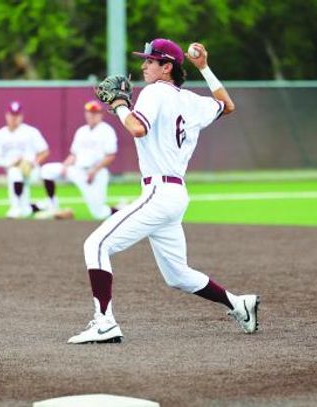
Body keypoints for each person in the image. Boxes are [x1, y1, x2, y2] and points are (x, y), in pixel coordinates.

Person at [68, 39, 260, 344]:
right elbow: (228, 105)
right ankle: (239, 304)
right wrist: (205, 68)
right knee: (178, 275)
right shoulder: (193, 101)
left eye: (150, 61)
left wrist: (119, 106)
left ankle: (104, 323)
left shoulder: (155, 92)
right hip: (175, 194)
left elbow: (137, 128)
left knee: (96, 245)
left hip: (158, 191)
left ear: (167, 67)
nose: (144, 65)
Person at [39, 100, 120, 220]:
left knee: (99, 213)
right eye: (89, 112)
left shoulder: (107, 130)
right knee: (47, 170)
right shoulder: (82, 131)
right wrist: (65, 166)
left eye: (95, 112)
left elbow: (111, 155)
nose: (91, 115)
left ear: (100, 115)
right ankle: (52, 205)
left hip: (96, 173)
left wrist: (94, 171)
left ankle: (122, 210)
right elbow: (74, 154)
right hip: (76, 170)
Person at [0, 101, 50, 219]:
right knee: (26, 211)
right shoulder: (0, 134)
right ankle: (40, 205)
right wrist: (10, 163)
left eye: (17, 115)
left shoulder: (31, 132)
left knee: (15, 173)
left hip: (31, 170)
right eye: (12, 115)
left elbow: (45, 151)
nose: (14, 118)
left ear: (21, 116)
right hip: (12, 169)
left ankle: (15, 207)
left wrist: (33, 163)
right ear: (6, 115)